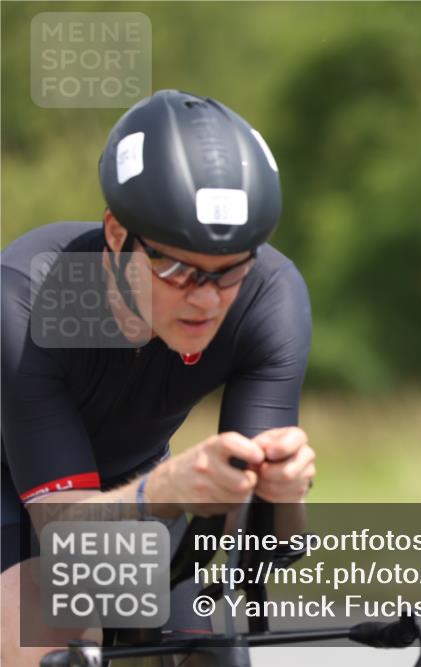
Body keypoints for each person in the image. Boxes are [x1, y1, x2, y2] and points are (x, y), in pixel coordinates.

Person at [0, 90, 316, 666]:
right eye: (176, 267)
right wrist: (162, 491)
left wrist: (284, 494)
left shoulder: (269, 296)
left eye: (230, 271)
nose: (206, 299)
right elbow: (69, 545)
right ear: (118, 236)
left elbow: (264, 552)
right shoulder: (32, 296)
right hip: (15, 494)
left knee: (209, 653)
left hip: (132, 488)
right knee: (62, 643)